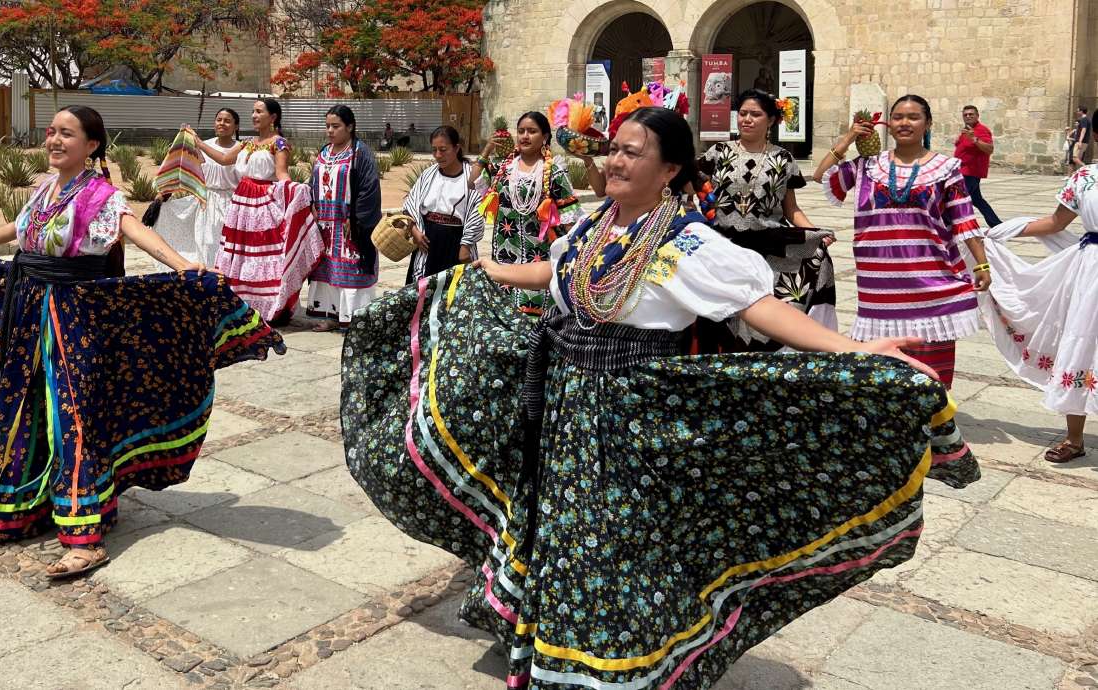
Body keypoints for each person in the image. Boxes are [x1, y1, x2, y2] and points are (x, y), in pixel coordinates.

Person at [341, 106, 978, 690]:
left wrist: (856, 352)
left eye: (633, 152)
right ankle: (563, 654)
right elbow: (555, 271)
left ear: (670, 169)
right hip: (567, 410)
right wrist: (492, 271)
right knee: (567, 537)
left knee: (621, 545)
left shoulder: (687, 244)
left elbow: (761, 309)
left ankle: (621, 667)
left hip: (632, 417)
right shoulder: (595, 225)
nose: (615, 161)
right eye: (614, 149)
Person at [0, 105, 283, 578]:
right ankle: (23, 501)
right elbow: (22, 232)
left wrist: (183, 266)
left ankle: (85, 535)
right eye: (51, 133)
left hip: (73, 322)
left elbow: (132, 229)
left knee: (73, 416)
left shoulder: (100, 195)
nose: (55, 141)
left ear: (91, 145)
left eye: (67, 134)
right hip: (29, 315)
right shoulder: (45, 189)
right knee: (24, 407)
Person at [813, 94, 992, 388]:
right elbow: (822, 176)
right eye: (897, 117)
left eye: (913, 117)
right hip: (880, 288)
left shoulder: (946, 168)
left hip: (931, 281)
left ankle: (935, 425)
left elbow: (964, 220)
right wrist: (848, 138)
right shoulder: (867, 166)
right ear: (888, 123)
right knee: (879, 372)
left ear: (928, 123)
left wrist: (981, 263)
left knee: (932, 372)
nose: (904, 123)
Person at [697, 88, 836, 352]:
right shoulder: (717, 153)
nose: (747, 119)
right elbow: (692, 188)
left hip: (768, 247)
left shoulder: (782, 159)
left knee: (766, 314)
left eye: (756, 114)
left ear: (771, 120)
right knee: (722, 316)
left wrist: (815, 233)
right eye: (743, 113)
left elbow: (791, 209)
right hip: (724, 247)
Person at [975, 165, 1097, 463]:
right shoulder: (1085, 178)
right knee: (1081, 343)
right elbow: (1057, 221)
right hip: (1092, 271)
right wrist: (999, 233)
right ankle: (1074, 438)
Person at [184, 99, 322, 327]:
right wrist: (198, 142)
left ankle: (268, 307)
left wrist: (297, 194)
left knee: (263, 255)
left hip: (262, 204)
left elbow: (281, 174)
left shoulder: (278, 144)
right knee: (241, 255)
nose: (254, 115)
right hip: (241, 205)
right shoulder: (248, 143)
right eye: (253, 112)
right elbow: (225, 159)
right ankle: (242, 304)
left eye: (259, 112)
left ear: (273, 117)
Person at [469, 111, 584, 315]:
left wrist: (576, 254)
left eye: (532, 131)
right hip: (505, 255)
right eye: (521, 131)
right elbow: (474, 183)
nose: (525, 136)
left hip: (539, 261)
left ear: (545, 137)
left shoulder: (554, 172)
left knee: (537, 321)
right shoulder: (504, 168)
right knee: (505, 317)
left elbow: (570, 219)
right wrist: (486, 151)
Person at [306, 105, 383, 332]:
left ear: (350, 127)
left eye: (336, 126)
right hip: (325, 226)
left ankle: (355, 320)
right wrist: (311, 203)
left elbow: (369, 189)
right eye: (328, 126)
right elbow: (314, 180)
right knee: (328, 272)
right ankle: (331, 316)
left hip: (350, 225)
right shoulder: (324, 152)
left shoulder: (360, 153)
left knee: (351, 272)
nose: (330, 130)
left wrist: (357, 218)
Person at [151, 107, 242, 266]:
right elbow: (184, 170)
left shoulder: (241, 149)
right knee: (206, 243)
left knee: (228, 245)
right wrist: (164, 194)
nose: (222, 123)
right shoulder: (201, 145)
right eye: (219, 119)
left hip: (233, 203)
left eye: (227, 121)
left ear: (236, 126)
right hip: (206, 202)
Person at [401, 126, 485, 283]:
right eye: (434, 150)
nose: (438, 155)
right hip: (426, 243)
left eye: (443, 149)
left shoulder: (472, 177)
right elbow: (410, 205)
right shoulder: (428, 174)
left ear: (457, 148)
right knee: (423, 297)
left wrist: (466, 246)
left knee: (453, 295)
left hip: (457, 244)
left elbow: (478, 211)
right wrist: (414, 231)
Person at [954, 105, 1002, 228]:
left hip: (970, 172)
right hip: (963, 170)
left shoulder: (981, 130)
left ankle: (962, 227)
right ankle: (996, 224)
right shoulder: (967, 129)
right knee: (977, 200)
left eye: (971, 114)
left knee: (960, 200)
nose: (968, 116)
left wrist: (974, 139)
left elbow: (989, 149)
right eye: (965, 114)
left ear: (977, 116)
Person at [1072, 106, 1092, 171]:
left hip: (1080, 141)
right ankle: (1080, 175)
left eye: (1078, 111)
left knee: (1075, 158)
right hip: (1085, 142)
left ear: (1081, 111)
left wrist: (1080, 141)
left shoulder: (1083, 119)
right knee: (1079, 159)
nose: (1077, 112)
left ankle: (1087, 168)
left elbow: (1083, 130)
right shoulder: (1088, 119)